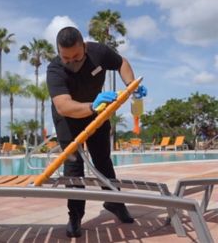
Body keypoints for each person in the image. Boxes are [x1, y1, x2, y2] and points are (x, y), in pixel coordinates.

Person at [46, 26, 147, 238]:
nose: (72, 62)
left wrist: (131, 85)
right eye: (66, 58)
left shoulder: (98, 52)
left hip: (96, 113)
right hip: (68, 118)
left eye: (76, 56)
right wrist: (92, 106)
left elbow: (121, 63)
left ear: (84, 47)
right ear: (58, 52)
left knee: (103, 159)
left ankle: (115, 203)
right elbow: (64, 105)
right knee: (73, 165)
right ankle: (75, 216)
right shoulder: (54, 69)